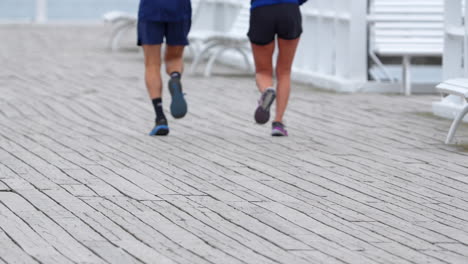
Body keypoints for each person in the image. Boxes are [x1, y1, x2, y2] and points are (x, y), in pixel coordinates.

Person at [248, 0, 308, 136]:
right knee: (284, 71)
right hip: (289, 10)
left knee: (263, 71)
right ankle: (278, 123)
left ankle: (267, 91)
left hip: (261, 10)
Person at [138, 0, 192, 136]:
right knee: (175, 58)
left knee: (152, 64)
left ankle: (160, 117)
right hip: (179, 8)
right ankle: (175, 77)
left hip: (151, 8)